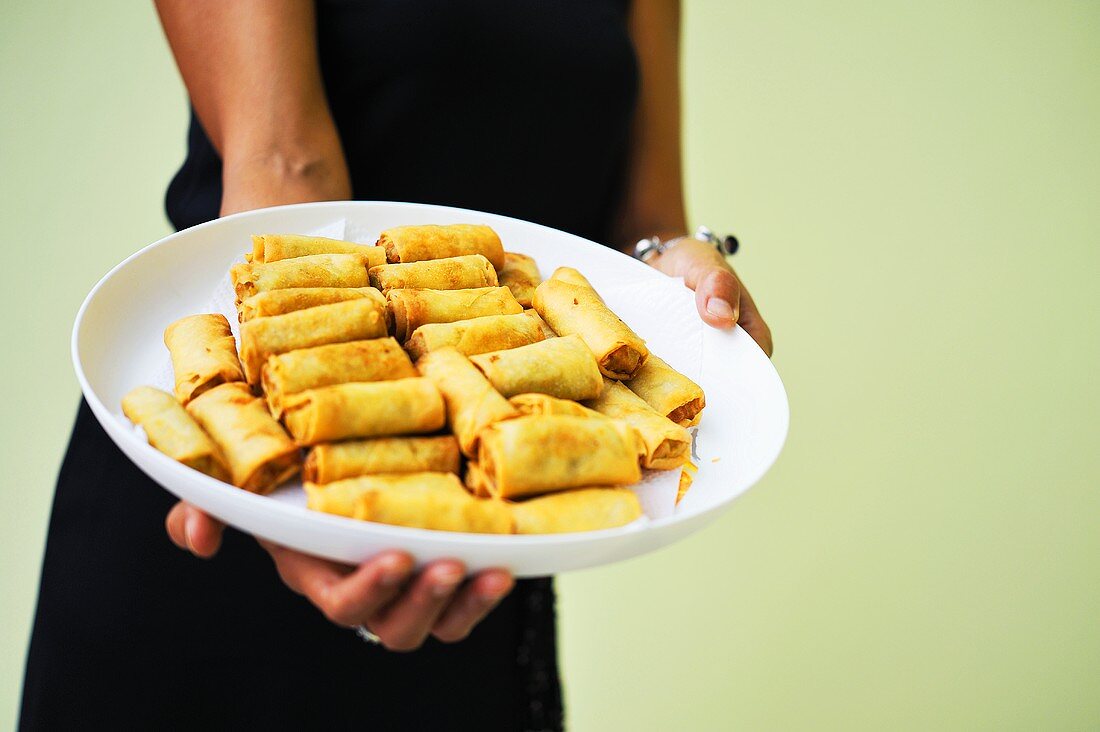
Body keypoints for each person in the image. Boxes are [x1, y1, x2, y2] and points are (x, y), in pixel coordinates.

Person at [20, 1, 771, 729]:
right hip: (249, 502)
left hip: (488, 509)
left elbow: (645, 221)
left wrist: (670, 264)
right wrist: (339, 453)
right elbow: (286, 165)